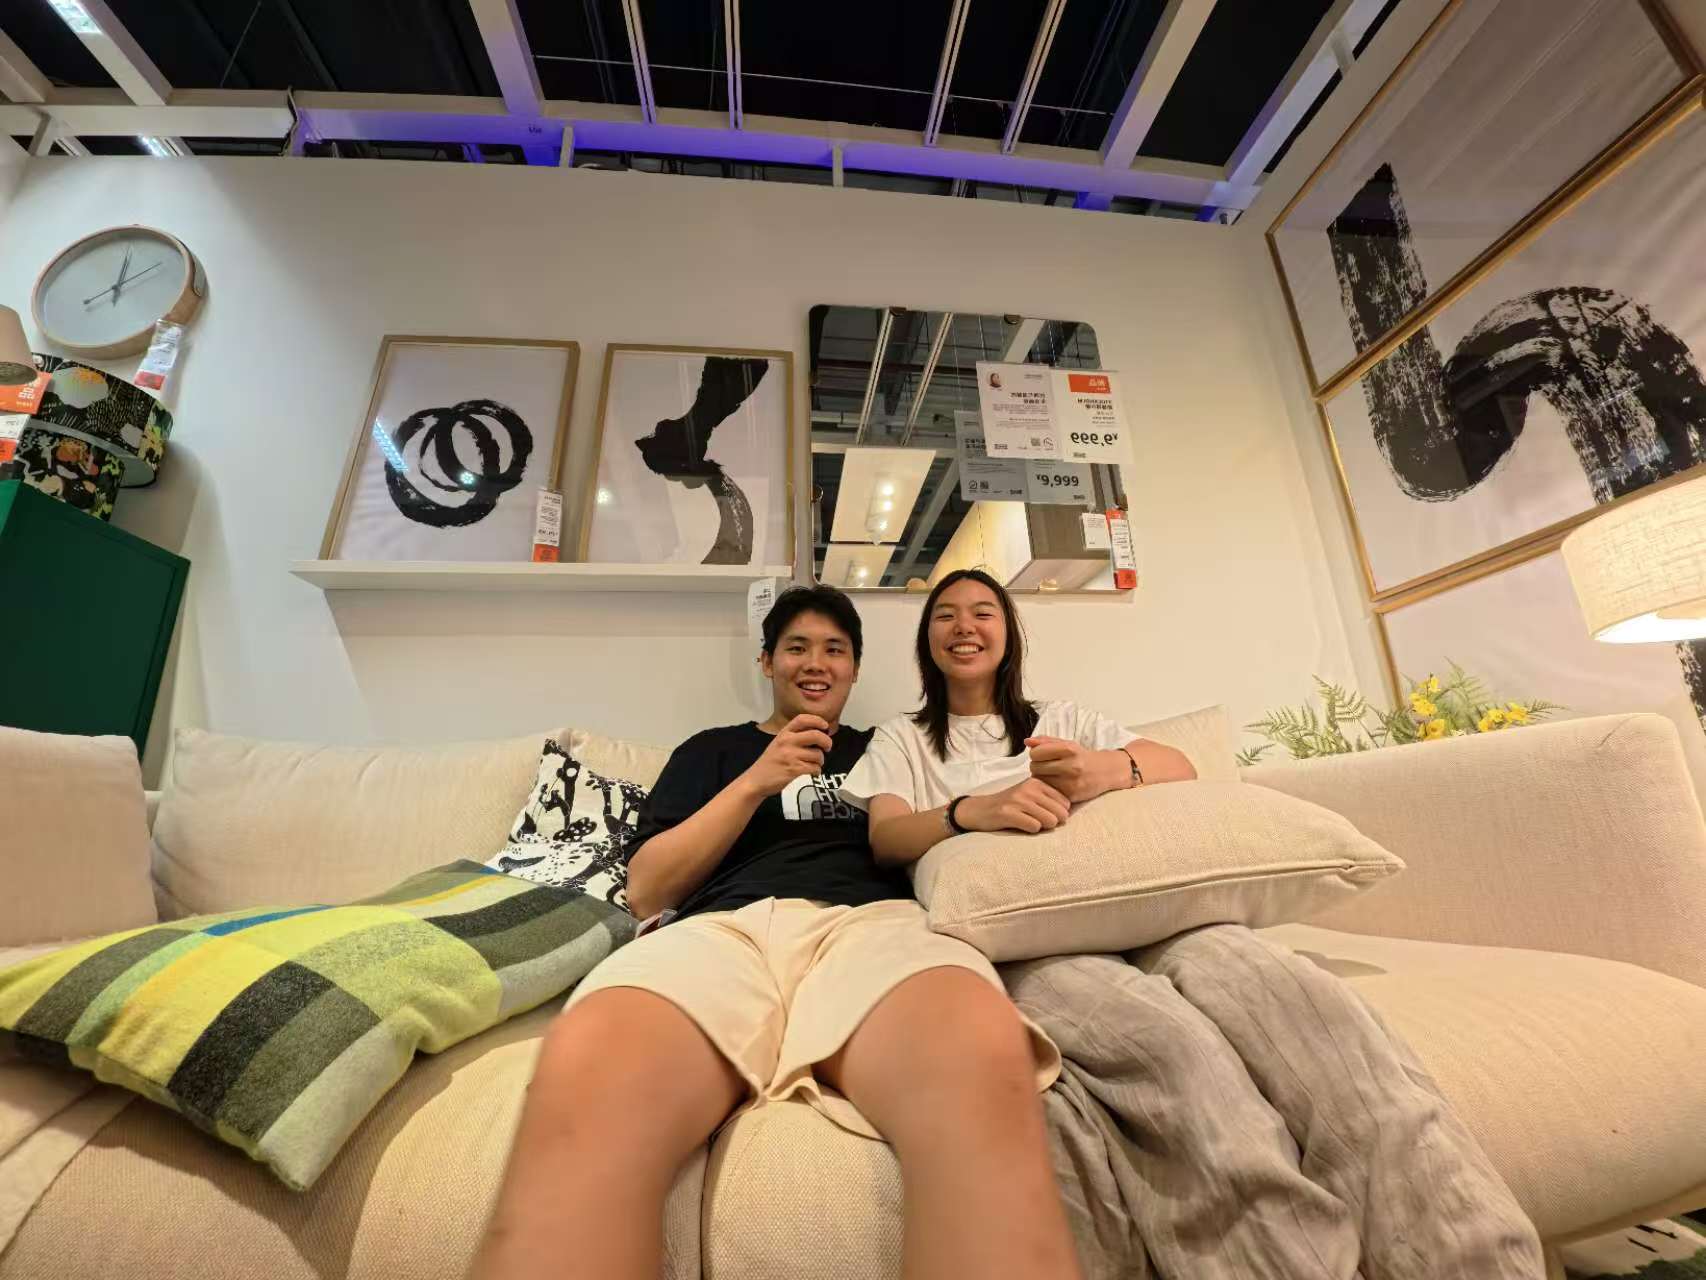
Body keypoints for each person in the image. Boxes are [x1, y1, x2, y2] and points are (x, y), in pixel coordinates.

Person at [470, 584, 1083, 1280]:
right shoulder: (711, 751)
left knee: (979, 1047)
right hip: (721, 931)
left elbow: (954, 809)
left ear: (855, 668)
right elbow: (647, 889)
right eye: (797, 647)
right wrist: (754, 782)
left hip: (869, 926)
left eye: (835, 650)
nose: (816, 663)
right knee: (591, 1063)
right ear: (767, 662)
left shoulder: (891, 747)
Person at [840, 567, 1197, 861]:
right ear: (926, 640)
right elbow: (886, 840)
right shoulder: (900, 736)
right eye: (946, 615)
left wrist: (1096, 771)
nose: (963, 626)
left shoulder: (1063, 719)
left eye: (982, 614)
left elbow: (1179, 766)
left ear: (1009, 635)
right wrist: (969, 812)